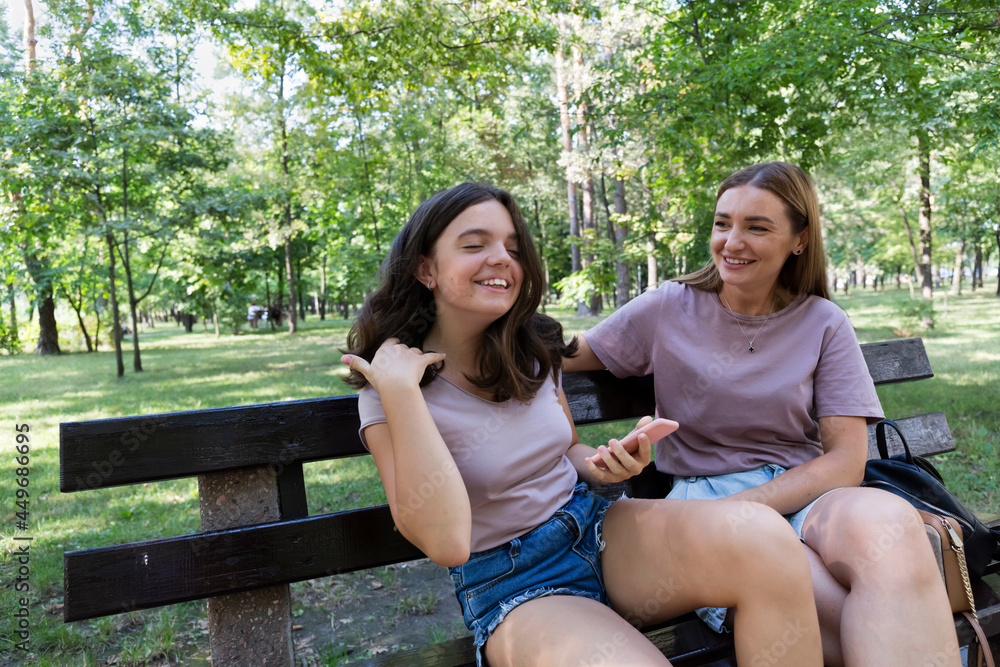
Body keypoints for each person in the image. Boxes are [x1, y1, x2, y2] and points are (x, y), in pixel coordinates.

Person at [341, 182, 822, 667]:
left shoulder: (531, 353)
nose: (501, 258)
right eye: (474, 245)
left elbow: (567, 450)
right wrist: (401, 393)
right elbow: (446, 543)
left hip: (599, 532)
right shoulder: (392, 395)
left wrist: (602, 464)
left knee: (764, 538)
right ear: (426, 268)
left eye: (512, 247)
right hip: (517, 583)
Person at [563, 162, 960, 667]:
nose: (732, 242)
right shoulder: (670, 307)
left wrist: (755, 502)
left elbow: (845, 462)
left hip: (809, 493)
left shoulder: (822, 322)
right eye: (722, 223)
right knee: (844, 614)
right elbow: (571, 351)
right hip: (709, 504)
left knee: (894, 528)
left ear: (799, 240)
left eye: (757, 227)